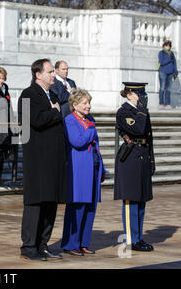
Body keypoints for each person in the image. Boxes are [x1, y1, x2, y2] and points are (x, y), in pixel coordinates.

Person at [18, 58, 67, 261]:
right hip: (38, 159)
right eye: (49, 72)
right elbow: (36, 121)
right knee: (35, 203)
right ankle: (29, 246)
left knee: (51, 203)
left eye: (52, 72)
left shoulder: (53, 94)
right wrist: (55, 112)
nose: (52, 75)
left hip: (54, 158)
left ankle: (43, 244)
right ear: (38, 74)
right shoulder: (29, 94)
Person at [61, 88, 105, 256]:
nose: (88, 106)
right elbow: (77, 141)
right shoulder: (70, 120)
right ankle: (71, 243)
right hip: (78, 168)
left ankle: (83, 242)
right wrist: (91, 131)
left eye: (89, 103)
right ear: (75, 105)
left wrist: (102, 167)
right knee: (77, 207)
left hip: (93, 166)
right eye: (85, 103)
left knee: (90, 207)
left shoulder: (89, 120)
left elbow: (96, 145)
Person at [114, 82, 155, 252]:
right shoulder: (124, 112)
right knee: (131, 201)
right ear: (129, 94)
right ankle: (132, 239)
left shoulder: (141, 111)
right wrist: (142, 111)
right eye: (139, 93)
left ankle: (139, 237)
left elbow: (149, 136)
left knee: (141, 200)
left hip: (143, 156)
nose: (142, 97)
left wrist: (152, 160)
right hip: (130, 158)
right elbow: (138, 129)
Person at [158, 40, 178, 109]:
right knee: (162, 88)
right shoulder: (161, 53)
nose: (168, 47)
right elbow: (162, 62)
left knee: (168, 89)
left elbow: (174, 63)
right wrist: (169, 59)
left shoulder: (172, 53)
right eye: (166, 45)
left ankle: (168, 103)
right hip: (163, 72)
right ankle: (161, 103)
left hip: (170, 73)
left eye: (169, 45)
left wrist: (175, 71)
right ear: (164, 46)